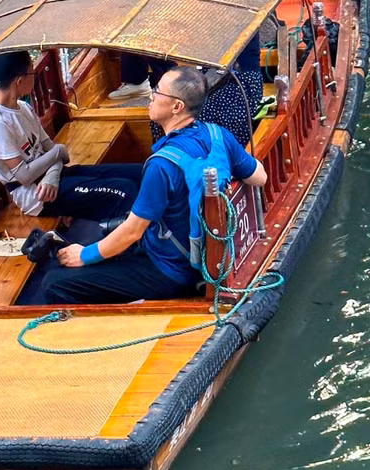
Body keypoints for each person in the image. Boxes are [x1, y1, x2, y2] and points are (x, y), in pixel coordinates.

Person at [41, 67, 267, 304]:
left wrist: (84, 255)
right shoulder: (218, 136)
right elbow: (259, 177)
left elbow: (132, 231)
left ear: (176, 106)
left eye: (157, 91)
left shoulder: (162, 166)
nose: (150, 96)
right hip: (201, 256)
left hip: (170, 271)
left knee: (53, 284)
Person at [0, 50, 141, 221]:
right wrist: (58, 153)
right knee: (123, 190)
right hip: (38, 196)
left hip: (54, 177)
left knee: (138, 172)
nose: (34, 78)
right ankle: (130, 244)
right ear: (20, 81)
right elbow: (25, 175)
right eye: (33, 73)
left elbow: (53, 151)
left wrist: (53, 173)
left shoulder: (24, 108)